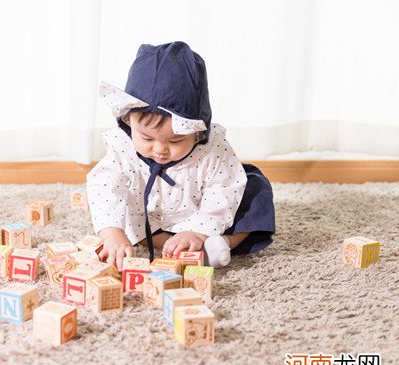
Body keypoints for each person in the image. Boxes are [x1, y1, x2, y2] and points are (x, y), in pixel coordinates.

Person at [87, 41, 275, 269]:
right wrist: (112, 234)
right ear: (128, 120)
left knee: (254, 190)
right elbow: (105, 188)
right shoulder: (122, 148)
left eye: (175, 141)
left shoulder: (212, 149)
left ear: (197, 132)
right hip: (152, 218)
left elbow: (225, 190)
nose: (159, 149)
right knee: (122, 214)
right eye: (146, 138)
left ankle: (221, 243)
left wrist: (197, 231)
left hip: (205, 212)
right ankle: (171, 246)